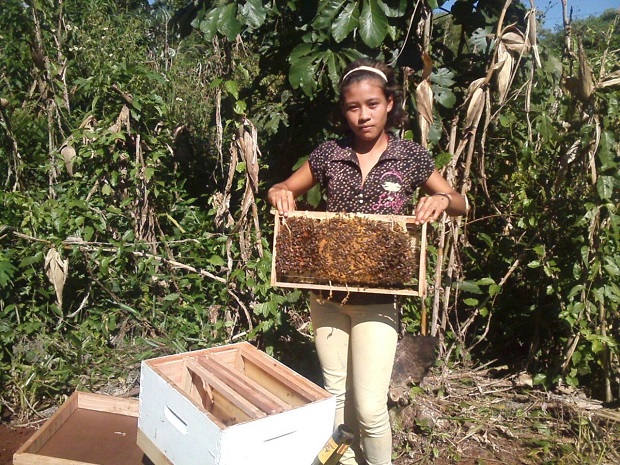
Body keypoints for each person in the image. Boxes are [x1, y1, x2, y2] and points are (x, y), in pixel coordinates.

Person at [267, 57, 467, 465]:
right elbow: (283, 186)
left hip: (379, 301)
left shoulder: (409, 156)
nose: (364, 115)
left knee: (372, 409)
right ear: (344, 111)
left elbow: (461, 202)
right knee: (335, 395)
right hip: (327, 297)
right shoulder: (329, 154)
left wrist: (442, 199)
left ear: (389, 103)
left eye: (372, 104)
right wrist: (280, 192)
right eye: (353, 107)